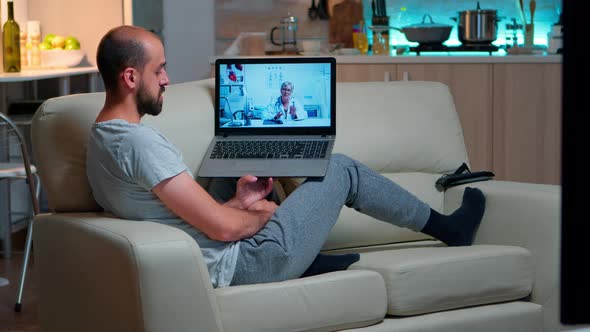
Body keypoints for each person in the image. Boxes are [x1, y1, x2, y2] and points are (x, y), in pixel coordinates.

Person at [87, 25, 486, 289]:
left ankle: (304, 256)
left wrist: (238, 202)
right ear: (130, 77)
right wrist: (258, 214)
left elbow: (186, 220)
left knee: (241, 177)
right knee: (340, 167)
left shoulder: (103, 138)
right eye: (160, 70)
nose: (167, 80)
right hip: (244, 263)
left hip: (208, 253)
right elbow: (223, 231)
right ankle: (450, 229)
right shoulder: (140, 145)